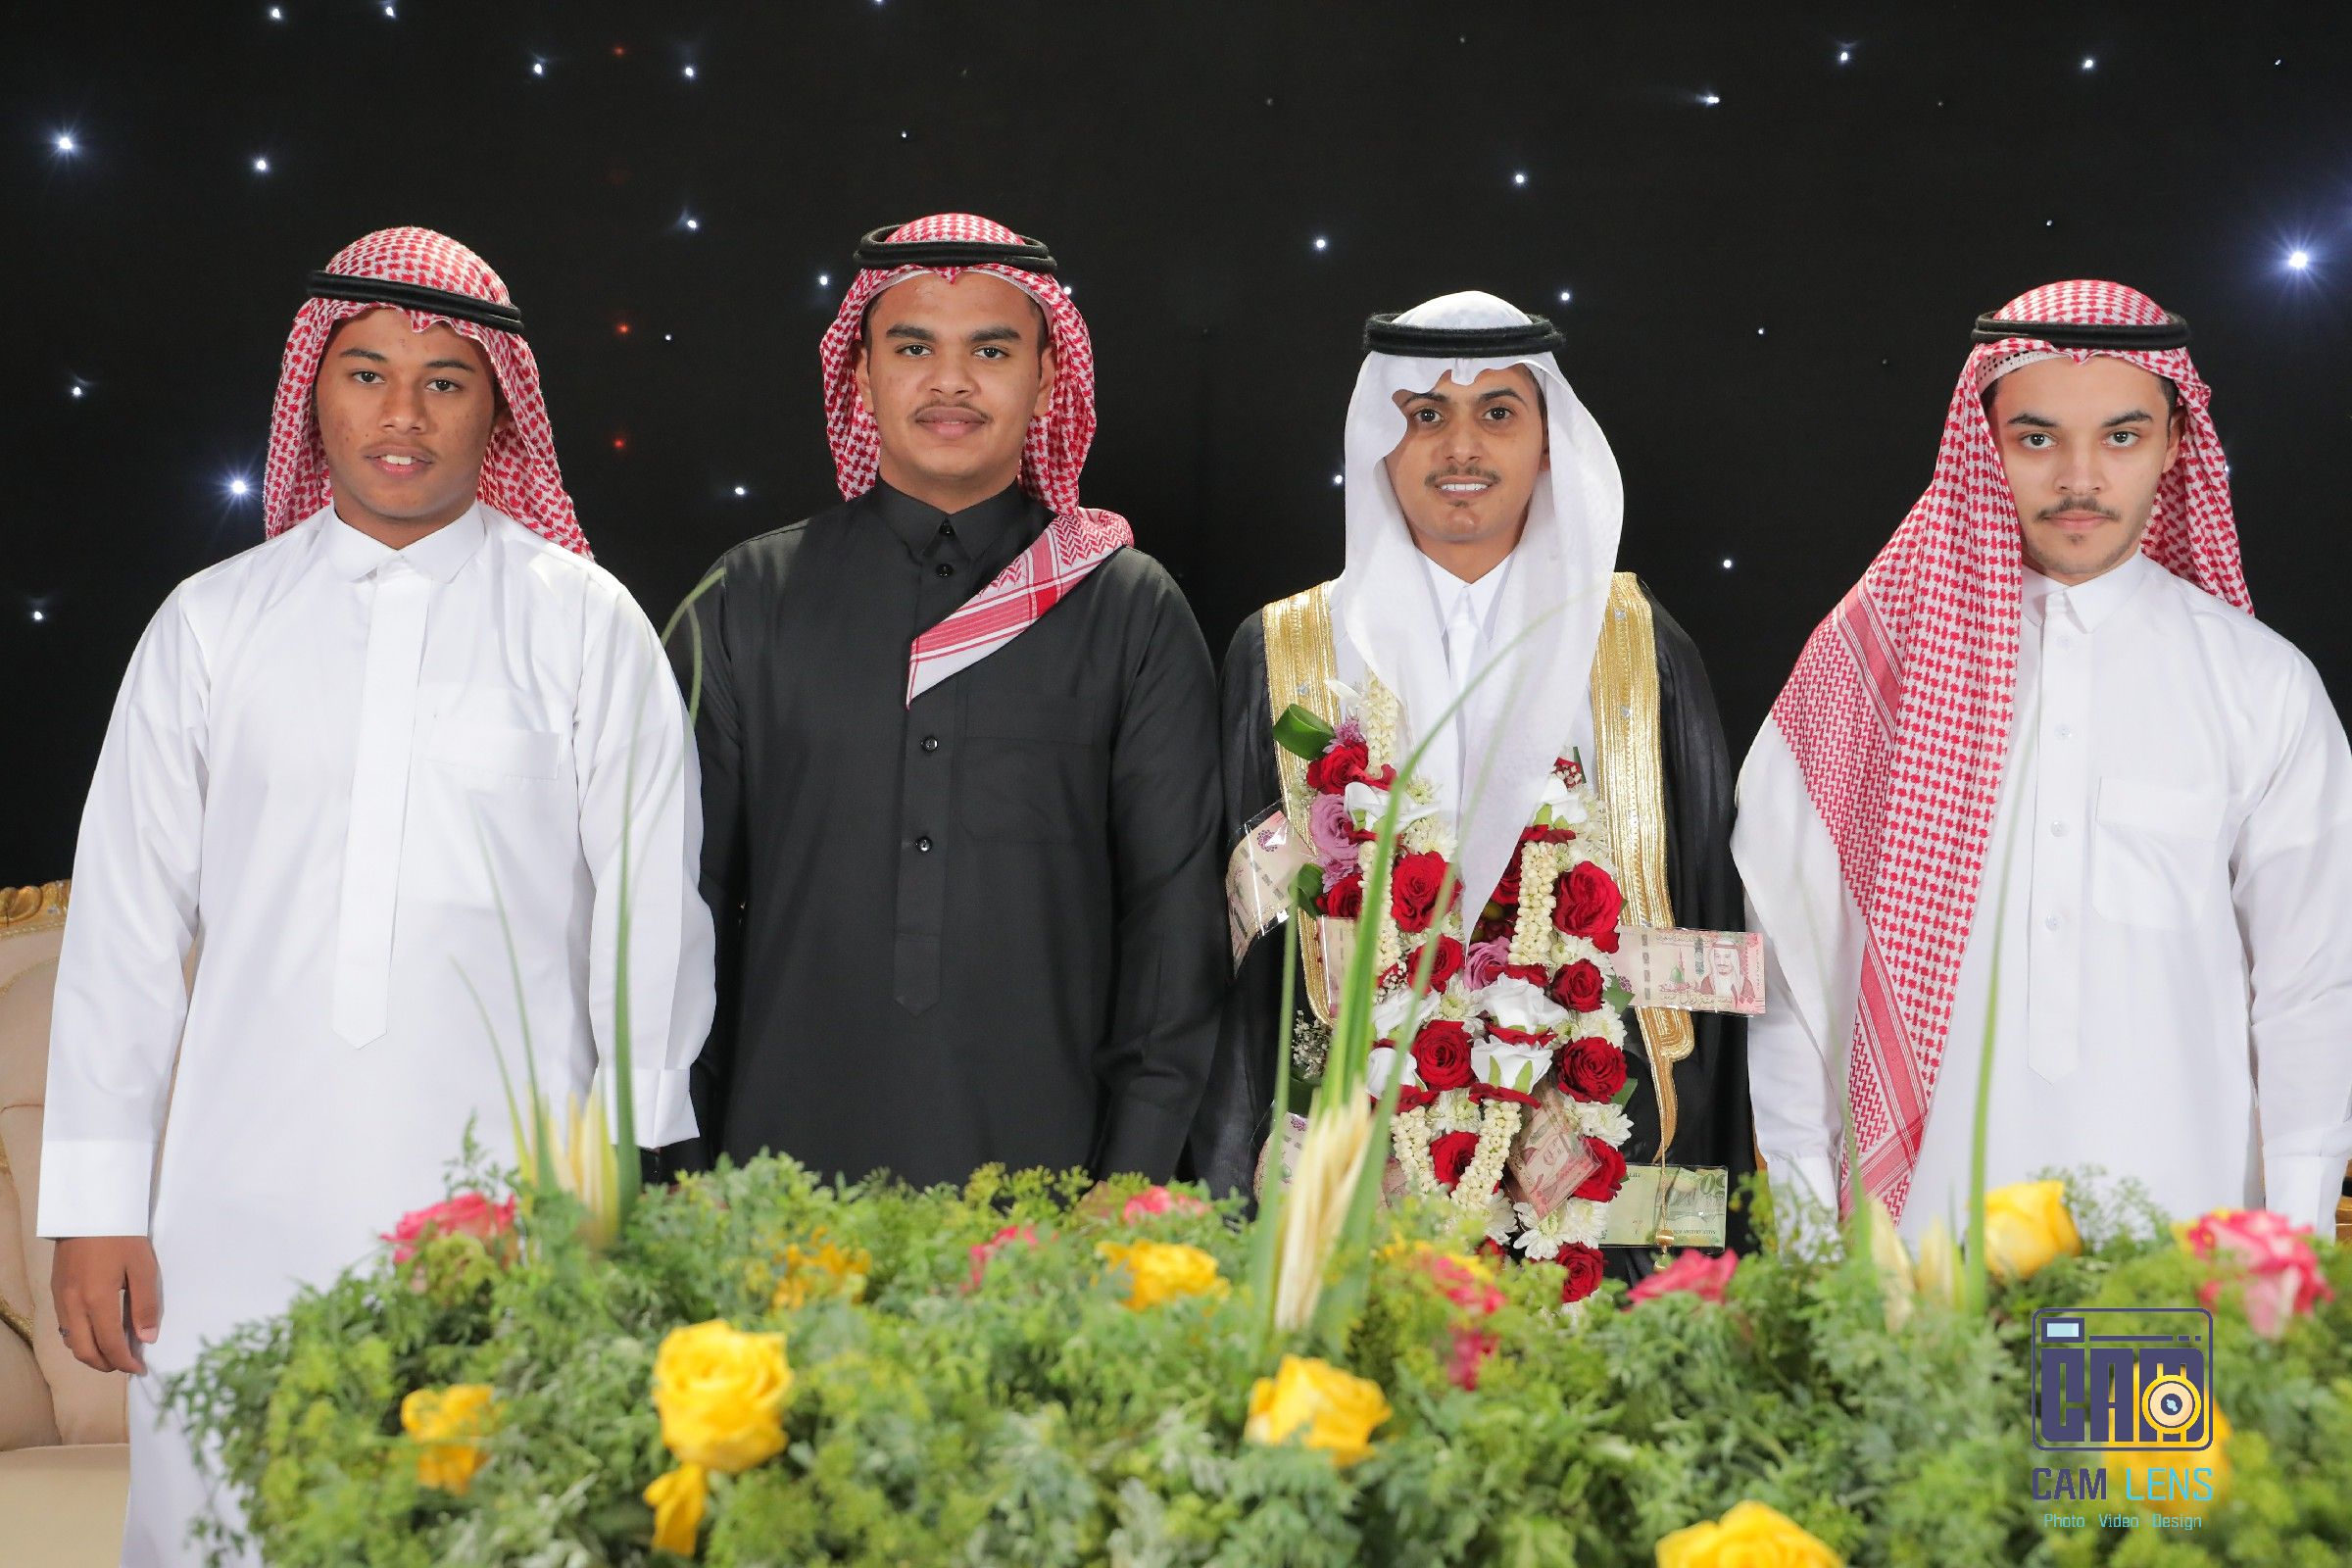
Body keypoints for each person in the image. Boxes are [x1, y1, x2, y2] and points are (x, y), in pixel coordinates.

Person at [39, 227, 714, 1567]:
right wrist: (97, 1198)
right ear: (315, 393)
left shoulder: (585, 624)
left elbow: (651, 923)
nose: (402, 413)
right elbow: (123, 930)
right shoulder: (210, 625)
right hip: (235, 1210)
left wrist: (628, 1188)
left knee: (489, 1522)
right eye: (366, 374)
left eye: (444, 381)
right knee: (230, 1519)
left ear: (498, 408)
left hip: (513, 1209)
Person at [1737, 279, 2352, 1242]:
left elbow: (2311, 994)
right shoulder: (1870, 669)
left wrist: (2297, 1251)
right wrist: (1814, 1247)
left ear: (2175, 444)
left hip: (2181, 1251)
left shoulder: (2261, 684)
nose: (2079, 477)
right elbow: (1790, 980)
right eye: (2036, 438)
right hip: (1914, 1257)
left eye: (2122, 436)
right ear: (1982, 444)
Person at [1198, 292, 1753, 1286]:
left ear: (1547, 443)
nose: (1462, 447)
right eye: (1427, 414)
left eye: (1498, 412)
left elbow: (1707, 943)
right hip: (1352, 1202)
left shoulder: (1637, 647)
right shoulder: (1287, 653)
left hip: (1607, 1191)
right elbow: (1241, 967)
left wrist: (1702, 1221)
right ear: (1382, 442)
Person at [677, 213, 1223, 1189]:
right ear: (860, 374)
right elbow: (682, 912)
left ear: (1047, 379)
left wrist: (1128, 1188)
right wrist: (682, 1180)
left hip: (1053, 1202)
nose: (952, 381)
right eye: (914, 347)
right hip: (772, 1195)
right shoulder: (745, 599)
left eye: (993, 350)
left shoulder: (1130, 609)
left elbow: (1174, 931)